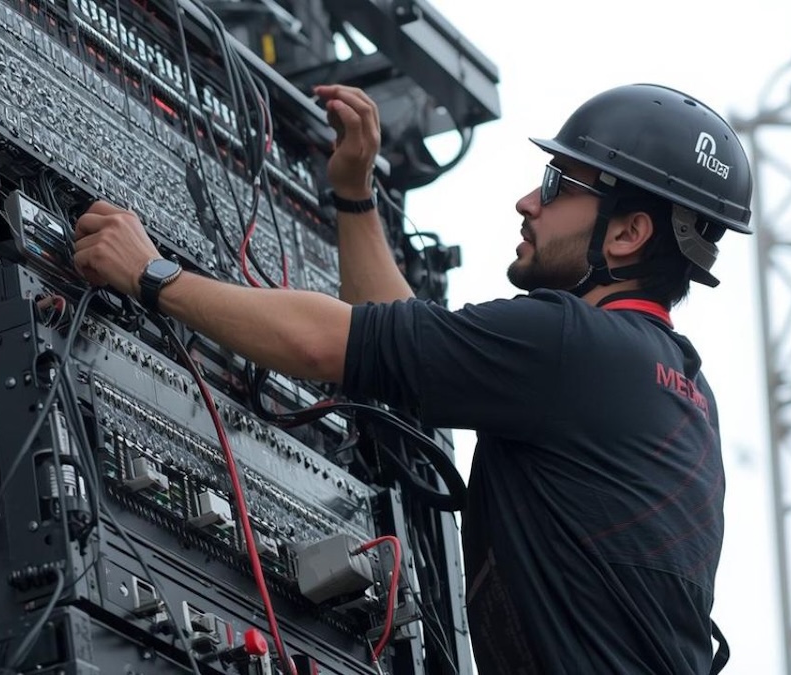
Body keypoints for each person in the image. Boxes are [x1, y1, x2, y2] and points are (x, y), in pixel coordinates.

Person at [73, 81, 753, 674]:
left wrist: (154, 275)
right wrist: (354, 196)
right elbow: (398, 337)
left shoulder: (574, 347)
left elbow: (327, 342)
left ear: (627, 234)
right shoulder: (676, 386)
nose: (527, 202)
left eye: (556, 186)